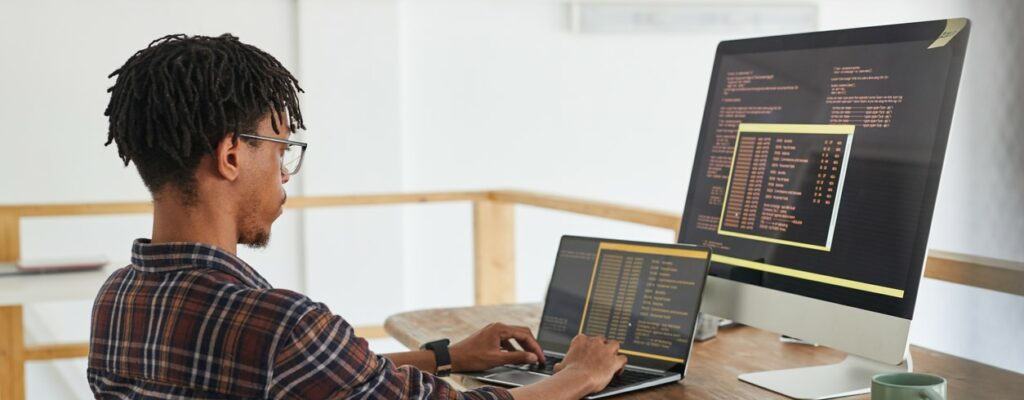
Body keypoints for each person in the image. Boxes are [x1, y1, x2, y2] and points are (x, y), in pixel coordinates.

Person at [89, 33, 626, 399]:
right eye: (279, 150)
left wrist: (445, 355)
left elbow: (313, 377)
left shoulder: (117, 300)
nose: (285, 174)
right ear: (231, 156)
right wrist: (578, 375)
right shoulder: (282, 325)